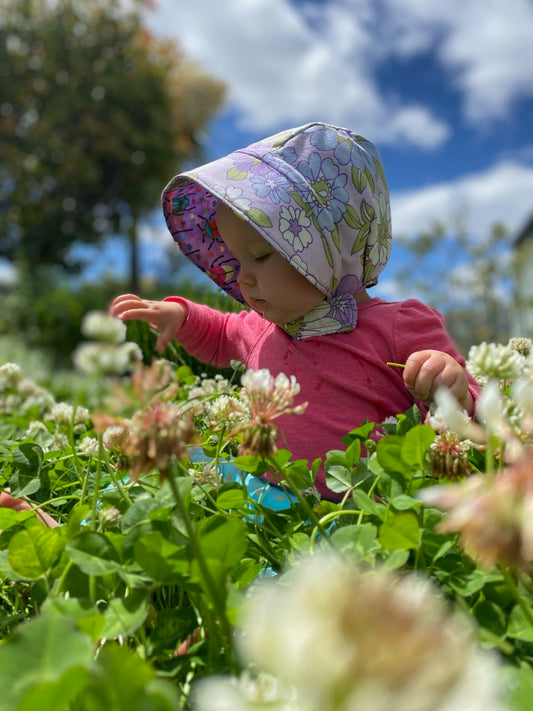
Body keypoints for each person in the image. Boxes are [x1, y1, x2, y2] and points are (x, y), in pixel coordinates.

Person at [105, 121, 478, 502]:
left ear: (332, 248)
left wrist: (453, 389)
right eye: (235, 261)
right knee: (164, 480)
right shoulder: (261, 327)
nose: (242, 279)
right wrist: (181, 316)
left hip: (359, 510)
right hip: (259, 496)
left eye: (260, 256)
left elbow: (474, 410)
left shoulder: (400, 326)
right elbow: (219, 335)